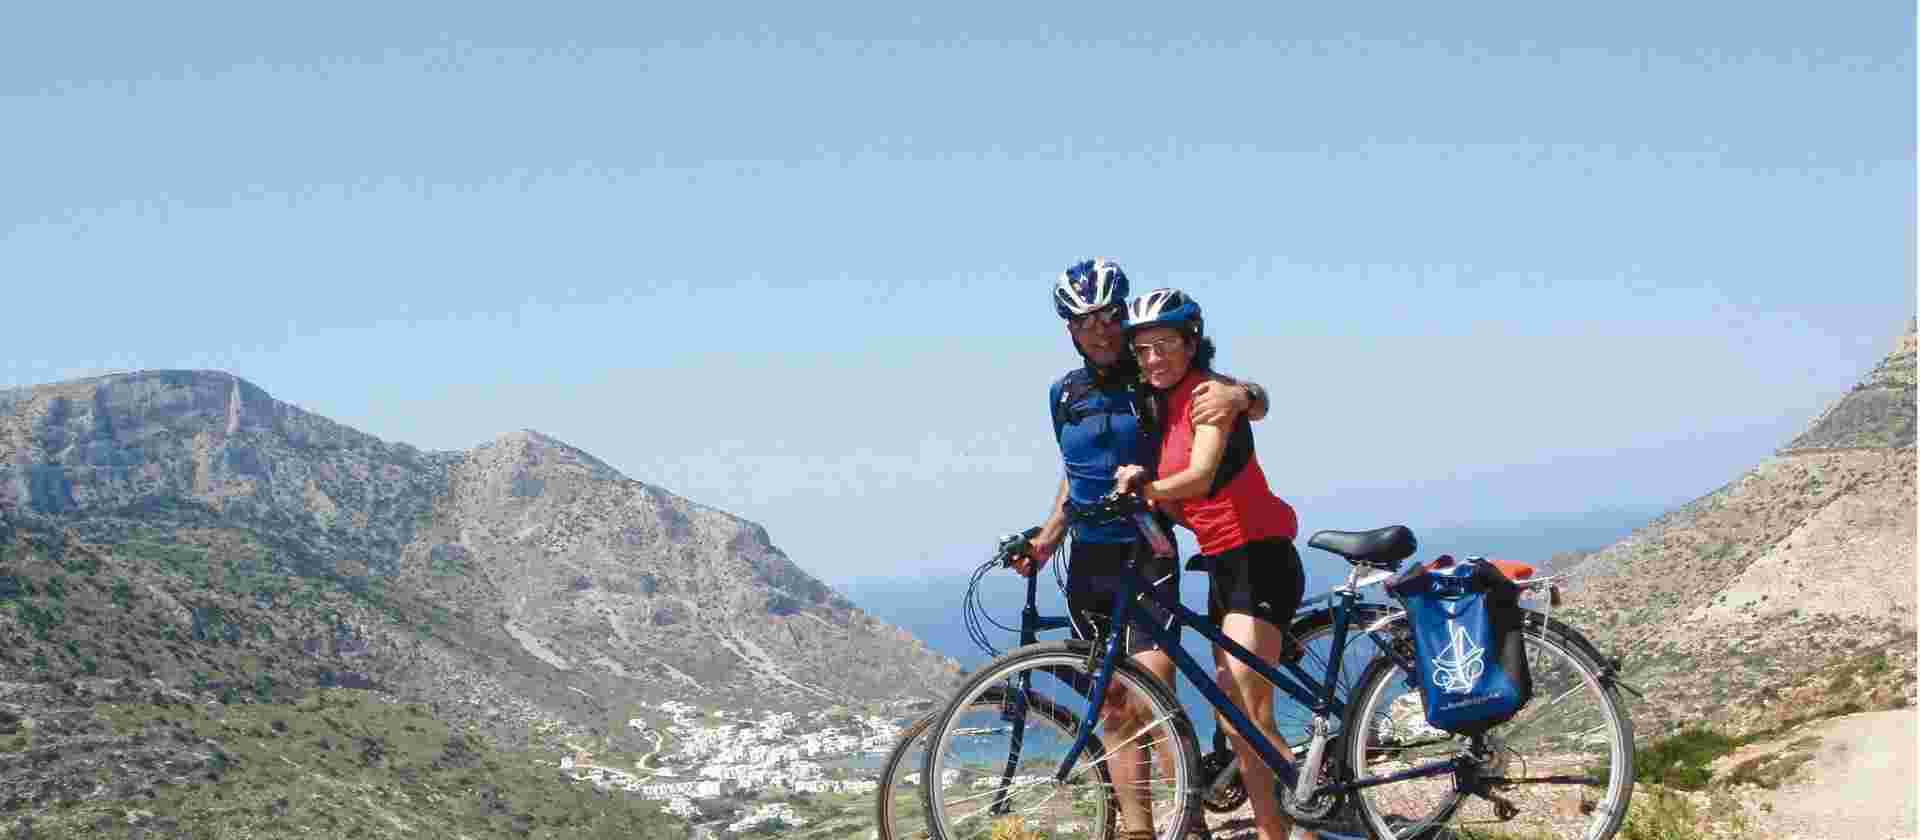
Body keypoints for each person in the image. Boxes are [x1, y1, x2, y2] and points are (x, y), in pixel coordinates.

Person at [1012, 258, 1270, 838]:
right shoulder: (1063, 393)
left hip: (1146, 550)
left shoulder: (1153, 373)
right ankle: (1138, 830)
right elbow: (1075, 474)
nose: (1099, 330)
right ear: (1069, 330)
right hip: (1089, 562)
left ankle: (1190, 823)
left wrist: (1243, 394)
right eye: (1084, 321)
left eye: (1107, 316)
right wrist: (1046, 539)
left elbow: (1238, 398)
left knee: (1155, 693)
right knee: (1113, 703)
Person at [1112, 288, 1314, 840]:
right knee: (1235, 717)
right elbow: (1189, 501)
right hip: (1224, 563)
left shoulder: (1208, 396)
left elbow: (1200, 477)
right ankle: (1274, 831)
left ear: (1191, 342)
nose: (1154, 358)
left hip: (1260, 555)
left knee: (1247, 712)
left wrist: (1147, 490)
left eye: (1165, 344)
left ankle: (1306, 825)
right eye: (1143, 349)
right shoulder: (1160, 403)